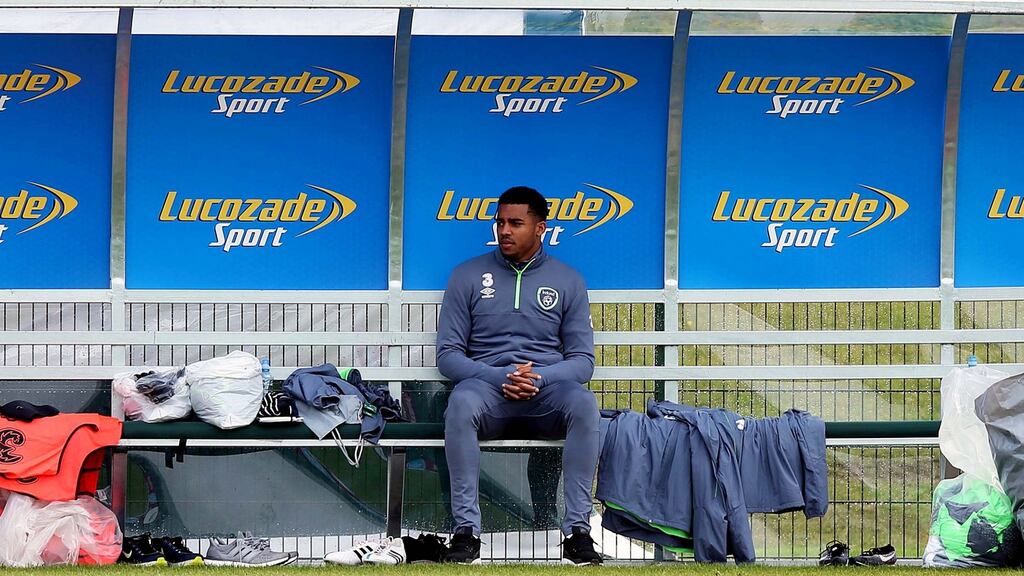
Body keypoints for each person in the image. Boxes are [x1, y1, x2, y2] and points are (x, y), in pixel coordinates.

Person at [436, 186, 602, 565]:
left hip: (546, 395)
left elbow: (582, 361)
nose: (504, 230)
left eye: (515, 223)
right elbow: (448, 356)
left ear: (540, 228)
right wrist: (500, 377)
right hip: (487, 393)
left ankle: (577, 531)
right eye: (499, 222)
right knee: (460, 402)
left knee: (584, 404)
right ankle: (466, 532)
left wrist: (540, 377)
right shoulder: (466, 275)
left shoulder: (568, 280)